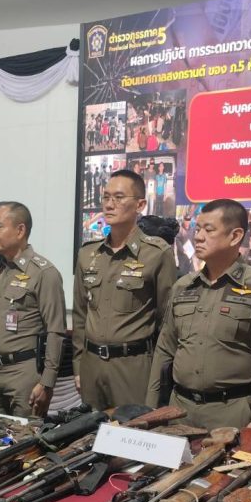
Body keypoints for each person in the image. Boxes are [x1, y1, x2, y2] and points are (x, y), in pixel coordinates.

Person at [146, 199, 251, 430]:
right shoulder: (183, 287)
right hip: (179, 409)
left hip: (232, 413)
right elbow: (164, 349)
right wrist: (151, 407)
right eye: (198, 229)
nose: (199, 237)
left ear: (235, 236)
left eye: (209, 230)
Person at [73, 169, 176, 410]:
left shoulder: (156, 253)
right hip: (91, 365)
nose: (109, 204)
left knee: (132, 430)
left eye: (119, 198)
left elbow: (167, 322)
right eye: (106, 197)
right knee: (89, 430)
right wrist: (78, 366)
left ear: (140, 205)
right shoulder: (88, 253)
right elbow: (80, 314)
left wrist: (158, 376)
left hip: (133, 366)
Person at [0, 201, 65, 417]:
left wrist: (47, 382)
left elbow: (55, 331)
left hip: (24, 374)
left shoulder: (43, 273)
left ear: (20, 230)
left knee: (25, 436)